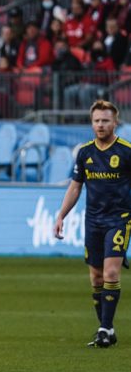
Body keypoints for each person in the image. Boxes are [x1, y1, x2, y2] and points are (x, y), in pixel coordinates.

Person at [54, 100, 131, 348]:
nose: (100, 125)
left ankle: (104, 328)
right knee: (97, 278)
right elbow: (76, 187)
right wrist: (61, 215)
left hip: (119, 220)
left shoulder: (126, 152)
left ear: (115, 122)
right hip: (93, 222)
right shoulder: (85, 152)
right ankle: (106, 328)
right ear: (91, 123)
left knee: (110, 273)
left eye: (105, 120)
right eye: (97, 120)